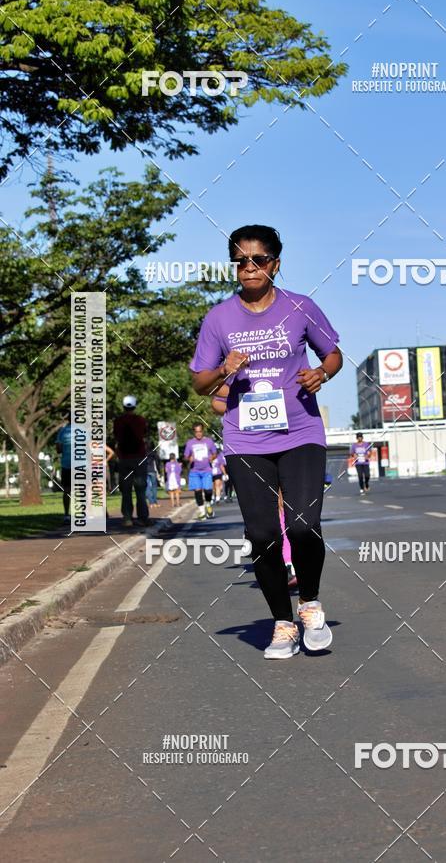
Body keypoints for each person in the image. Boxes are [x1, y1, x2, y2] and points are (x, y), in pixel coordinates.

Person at [190, 223, 342, 660]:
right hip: (246, 439)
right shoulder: (218, 319)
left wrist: (321, 373)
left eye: (258, 260)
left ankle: (309, 605)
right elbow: (200, 383)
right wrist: (223, 370)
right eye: (240, 261)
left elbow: (332, 352)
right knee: (261, 534)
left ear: (276, 264)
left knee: (302, 526)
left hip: (300, 433)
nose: (249, 267)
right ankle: (282, 624)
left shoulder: (300, 307)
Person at [113, 395, 149, 527]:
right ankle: (143, 517)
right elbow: (144, 435)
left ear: (123, 406)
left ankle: (127, 518)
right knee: (140, 489)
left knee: (126, 490)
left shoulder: (118, 421)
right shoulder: (141, 420)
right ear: (134, 406)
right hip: (139, 457)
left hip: (124, 458)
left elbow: (116, 436)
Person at [184, 424, 217, 520]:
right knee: (197, 491)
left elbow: (215, 453)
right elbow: (185, 457)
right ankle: (202, 511)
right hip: (195, 471)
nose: (198, 433)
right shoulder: (190, 443)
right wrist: (189, 458)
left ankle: (208, 504)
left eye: (200, 431)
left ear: (203, 431)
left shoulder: (209, 441)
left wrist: (212, 457)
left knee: (208, 490)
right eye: (196, 431)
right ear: (194, 432)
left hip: (206, 470)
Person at [56, 421, 73, 523]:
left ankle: (66, 515)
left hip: (66, 464)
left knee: (67, 491)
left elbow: (58, 449)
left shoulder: (62, 431)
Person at [145, 443, 161, 510]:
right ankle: (155, 502)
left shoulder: (143, 452)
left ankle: (151, 502)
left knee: (147, 486)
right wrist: (159, 471)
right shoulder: (154, 453)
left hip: (145, 471)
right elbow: (157, 462)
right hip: (152, 470)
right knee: (154, 486)